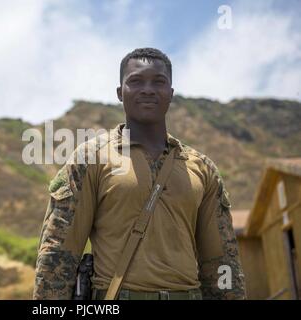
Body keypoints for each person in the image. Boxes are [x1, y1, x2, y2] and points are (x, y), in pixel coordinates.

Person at [33, 47, 246, 300]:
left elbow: (221, 261)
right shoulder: (91, 158)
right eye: (135, 81)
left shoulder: (202, 168)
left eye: (159, 82)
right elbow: (58, 254)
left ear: (171, 93)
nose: (148, 89)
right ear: (120, 93)